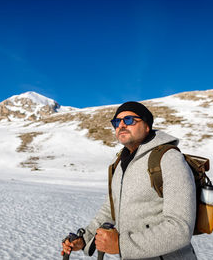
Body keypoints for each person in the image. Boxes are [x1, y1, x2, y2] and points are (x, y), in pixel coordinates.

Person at [62, 101, 197, 259]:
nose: (121, 125)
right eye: (116, 122)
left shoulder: (168, 158)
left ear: (147, 126)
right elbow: (110, 210)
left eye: (129, 120)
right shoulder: (119, 163)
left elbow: (180, 228)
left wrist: (121, 245)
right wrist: (85, 239)